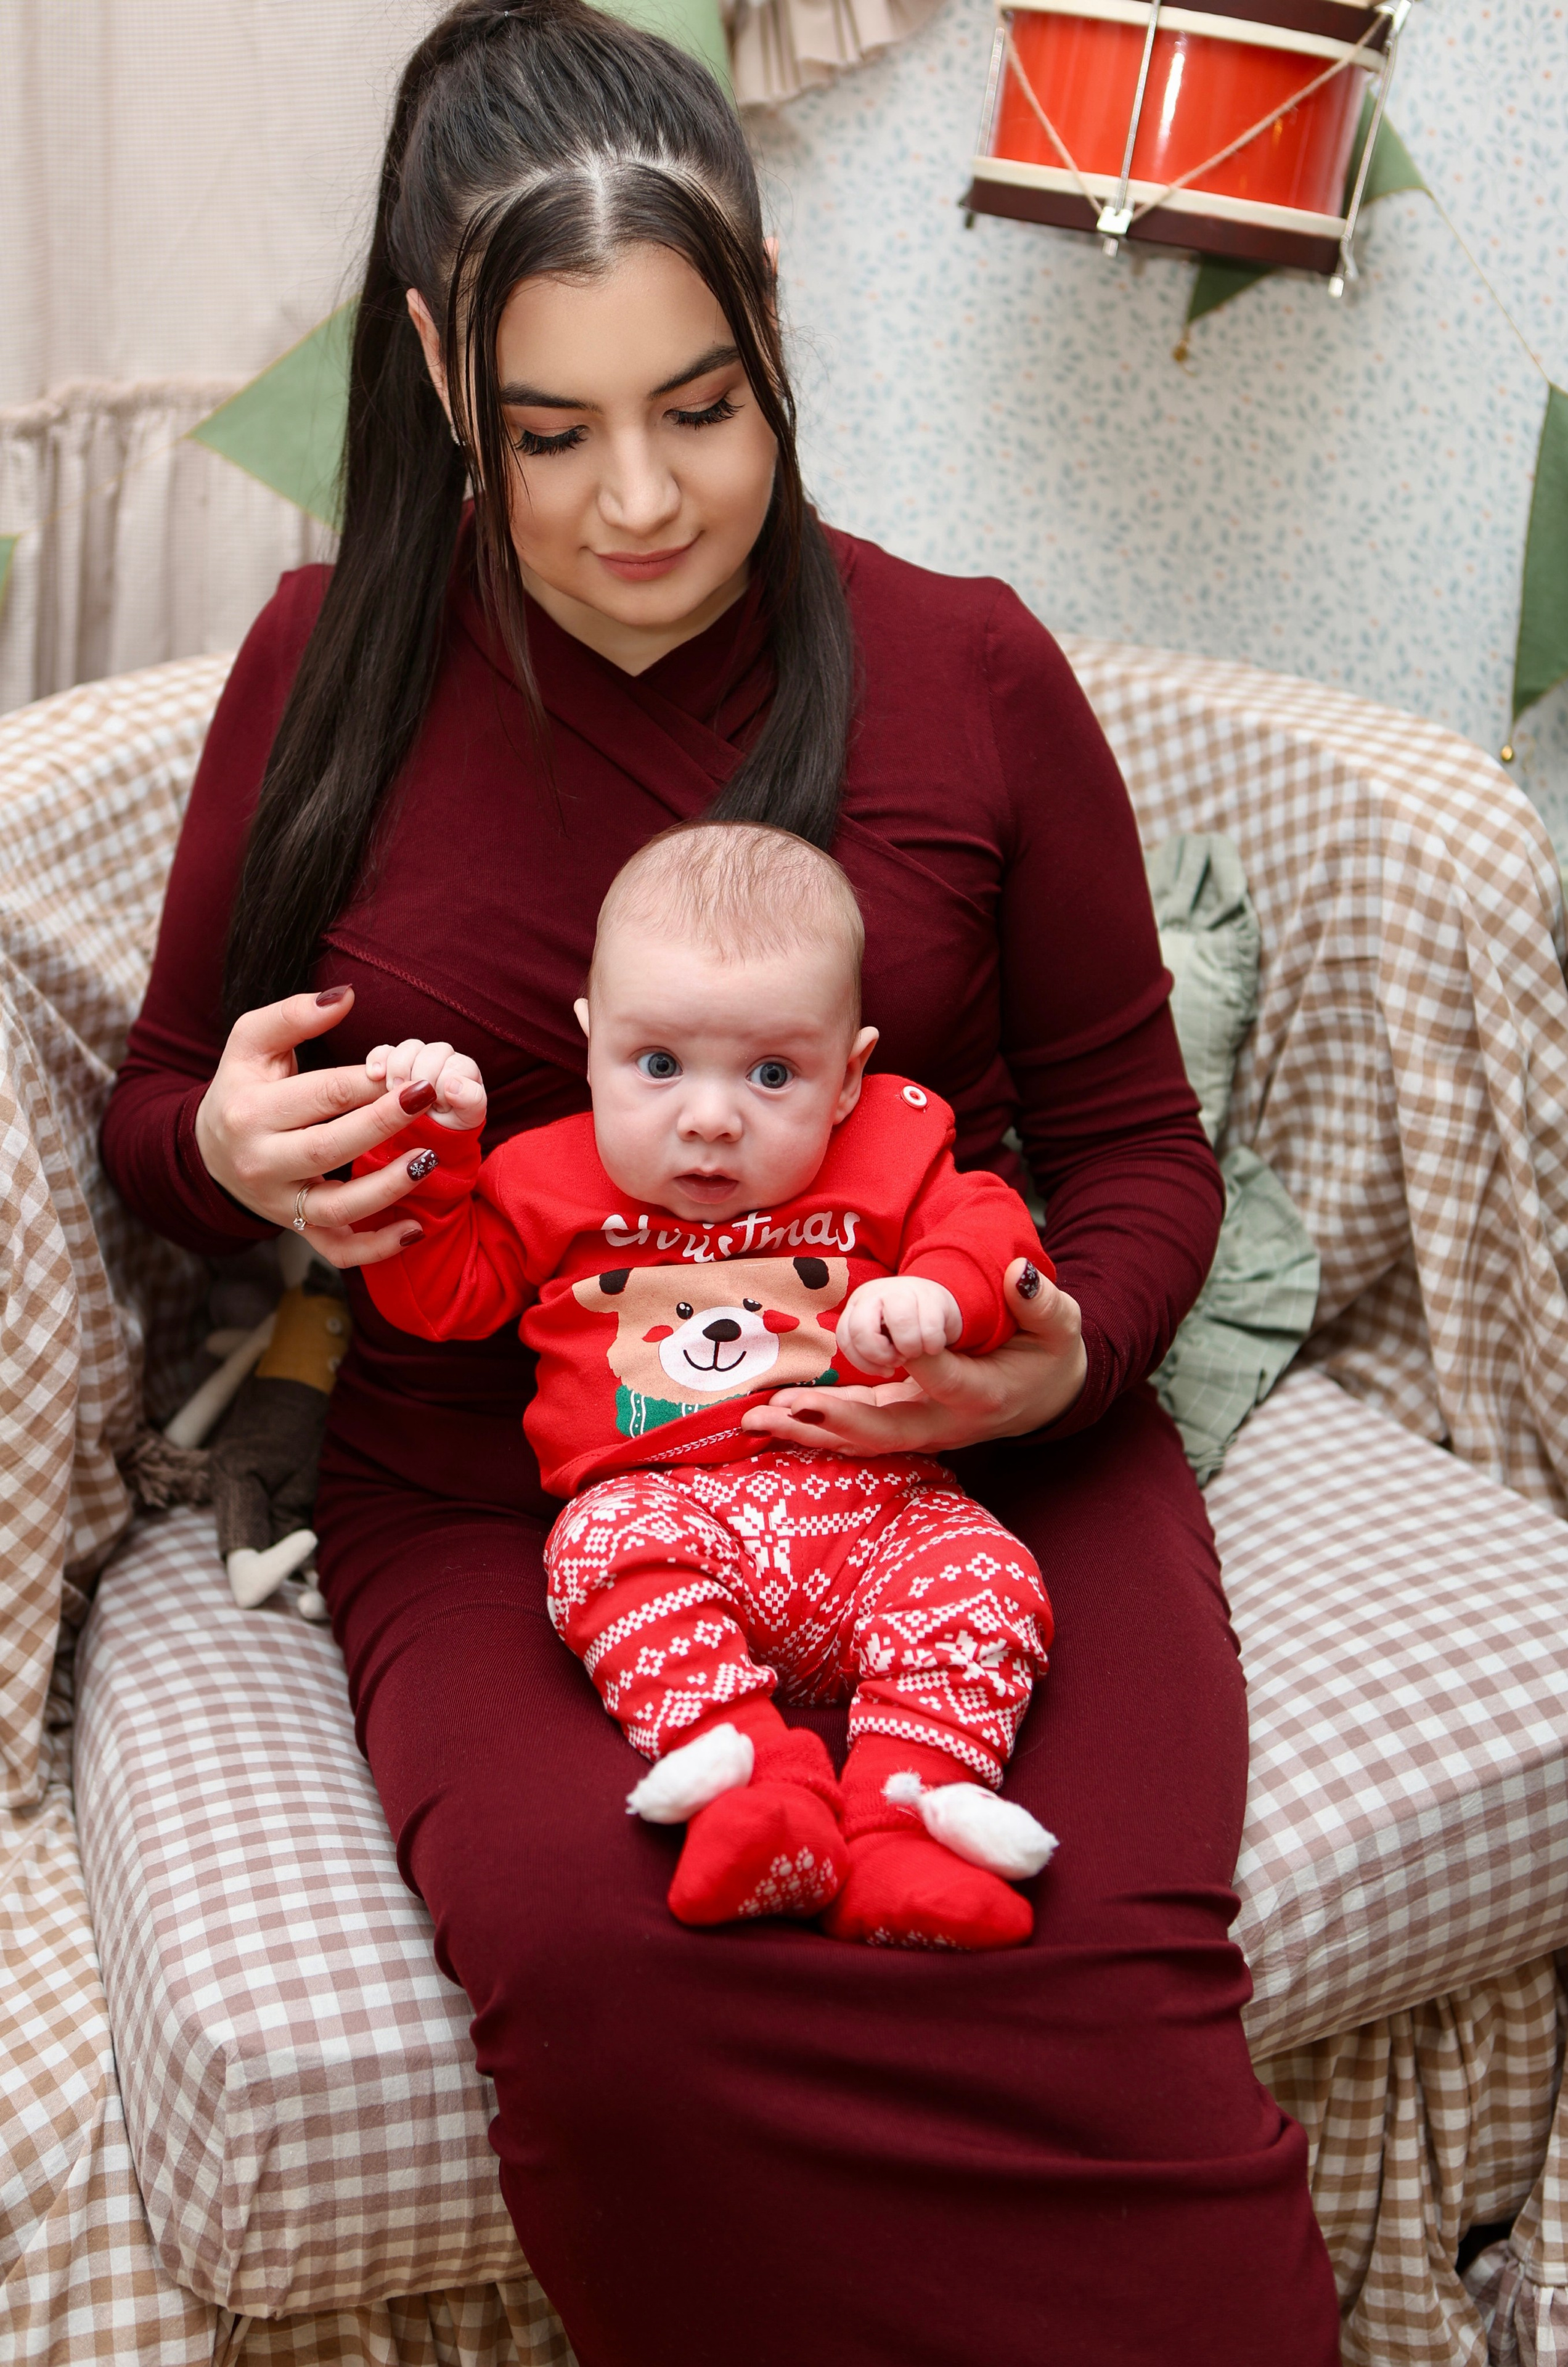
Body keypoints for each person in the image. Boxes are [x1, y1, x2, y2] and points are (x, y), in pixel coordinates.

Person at [99, 0, 1342, 2356]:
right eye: (553, 432)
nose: (639, 505)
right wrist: (233, 1151)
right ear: (443, 385)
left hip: (965, 1475)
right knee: (612, 1970)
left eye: (697, 407)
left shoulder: (971, 677)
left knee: (1072, 1939)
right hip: (505, 1496)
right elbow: (165, 1115)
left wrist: (1057, 1369)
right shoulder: (321, 669)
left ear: (774, 327)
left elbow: (1136, 1156)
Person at [353, 818, 1058, 1950]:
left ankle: (908, 1817)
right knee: (590, 1550)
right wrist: (425, 1152)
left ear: (850, 1077)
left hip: (881, 1512)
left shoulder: (892, 1147)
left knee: (988, 1571)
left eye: (774, 1073)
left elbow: (986, 1224)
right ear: (589, 1046)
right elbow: (442, 1296)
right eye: (659, 1065)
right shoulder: (542, 1174)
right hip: (666, 1517)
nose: (711, 1116)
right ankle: (755, 1790)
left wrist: (944, 1292)